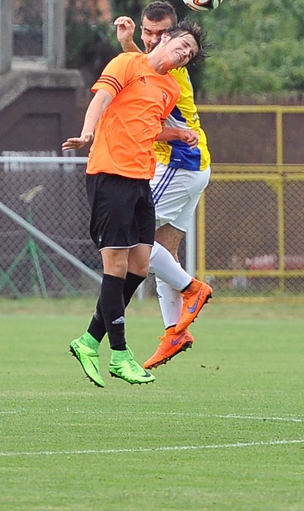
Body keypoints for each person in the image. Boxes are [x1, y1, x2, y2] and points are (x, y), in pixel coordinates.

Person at [63, 20, 206, 387]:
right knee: (116, 265)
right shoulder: (127, 63)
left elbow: (150, 126)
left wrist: (178, 133)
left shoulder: (169, 88)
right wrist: (87, 132)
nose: (186, 53)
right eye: (184, 44)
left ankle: (88, 340)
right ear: (166, 38)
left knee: (140, 266)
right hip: (110, 174)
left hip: (141, 179)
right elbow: (102, 99)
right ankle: (120, 354)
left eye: (191, 53)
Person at [114, 1, 213, 370]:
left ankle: (193, 289)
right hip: (188, 164)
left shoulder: (176, 65)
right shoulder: (157, 57)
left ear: (176, 39)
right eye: (147, 33)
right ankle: (175, 331)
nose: (154, 40)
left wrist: (127, 45)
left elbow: (145, 67)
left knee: (127, 236)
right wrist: (129, 43)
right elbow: (143, 65)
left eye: (162, 34)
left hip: (179, 163)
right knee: (162, 253)